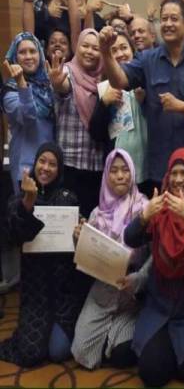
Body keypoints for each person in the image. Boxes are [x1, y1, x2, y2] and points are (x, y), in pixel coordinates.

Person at [124, 148, 184, 386]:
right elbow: (130, 238)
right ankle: (169, 342)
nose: (178, 179)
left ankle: (183, 344)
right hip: (160, 306)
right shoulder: (159, 209)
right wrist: (144, 216)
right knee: (152, 373)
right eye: (174, 173)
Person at [99, 0, 184, 187]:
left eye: (174, 19)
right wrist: (105, 53)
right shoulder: (147, 59)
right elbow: (119, 80)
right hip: (160, 169)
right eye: (164, 19)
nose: (168, 24)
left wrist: (181, 107)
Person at [0, 143, 88, 366]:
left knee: (58, 352)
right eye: (42, 161)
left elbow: (80, 254)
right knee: (30, 355)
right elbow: (13, 237)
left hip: (63, 295)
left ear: (59, 170)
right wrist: (28, 203)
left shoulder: (69, 200)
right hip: (35, 296)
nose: (46, 168)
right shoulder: (18, 199)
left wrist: (81, 235)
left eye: (52, 164)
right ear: (35, 163)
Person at [71, 149, 149, 370]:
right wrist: (79, 239)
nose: (120, 176)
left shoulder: (144, 208)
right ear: (106, 175)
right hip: (103, 291)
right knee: (81, 351)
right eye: (113, 171)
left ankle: (117, 330)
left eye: (125, 170)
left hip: (132, 293)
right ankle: (108, 332)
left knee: (122, 356)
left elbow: (150, 255)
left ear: (133, 173)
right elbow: (86, 260)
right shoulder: (97, 213)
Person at [48, 28, 104, 218]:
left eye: (95, 48)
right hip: (69, 164)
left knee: (90, 224)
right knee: (67, 225)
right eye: (85, 46)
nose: (89, 51)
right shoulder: (65, 71)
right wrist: (57, 85)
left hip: (95, 164)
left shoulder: (104, 77)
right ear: (77, 47)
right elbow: (64, 89)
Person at [89, 31, 148, 188]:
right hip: (118, 172)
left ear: (132, 51)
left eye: (124, 48)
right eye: (113, 51)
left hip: (147, 169)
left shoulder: (146, 79)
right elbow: (96, 133)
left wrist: (144, 102)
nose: (120, 54)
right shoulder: (105, 87)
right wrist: (104, 104)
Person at [1, 32, 54, 193]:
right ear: (15, 57)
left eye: (33, 51)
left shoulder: (48, 86)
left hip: (51, 168)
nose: (28, 56)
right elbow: (29, 118)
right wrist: (21, 84)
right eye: (22, 52)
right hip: (26, 169)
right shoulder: (10, 92)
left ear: (40, 54)